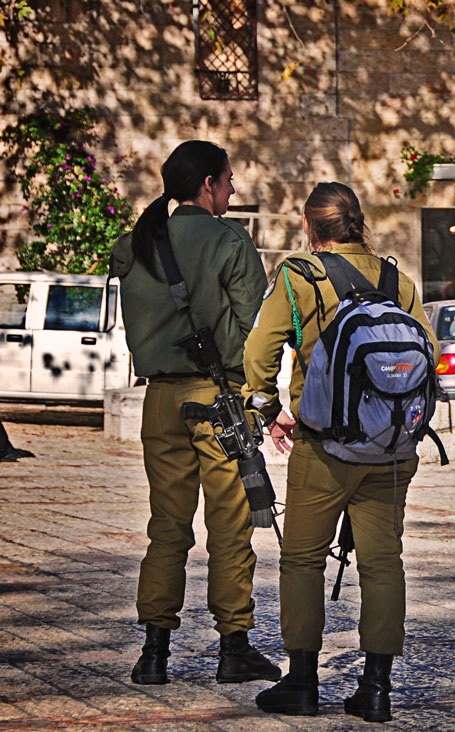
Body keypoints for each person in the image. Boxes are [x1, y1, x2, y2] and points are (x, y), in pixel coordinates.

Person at [244, 182, 438, 721]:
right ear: (357, 224)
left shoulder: (298, 275)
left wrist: (267, 408)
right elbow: (431, 351)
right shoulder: (396, 278)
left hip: (324, 448)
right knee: (383, 564)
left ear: (310, 225)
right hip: (391, 447)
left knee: (303, 559)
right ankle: (376, 688)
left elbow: (259, 352)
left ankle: (302, 682)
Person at [109, 140, 279, 686]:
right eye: (228, 180)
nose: (233, 190)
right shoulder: (229, 239)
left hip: (159, 401)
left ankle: (153, 651)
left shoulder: (134, 244)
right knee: (229, 526)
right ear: (207, 184)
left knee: (167, 527)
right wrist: (267, 399)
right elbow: (254, 330)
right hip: (219, 399)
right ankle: (234, 647)